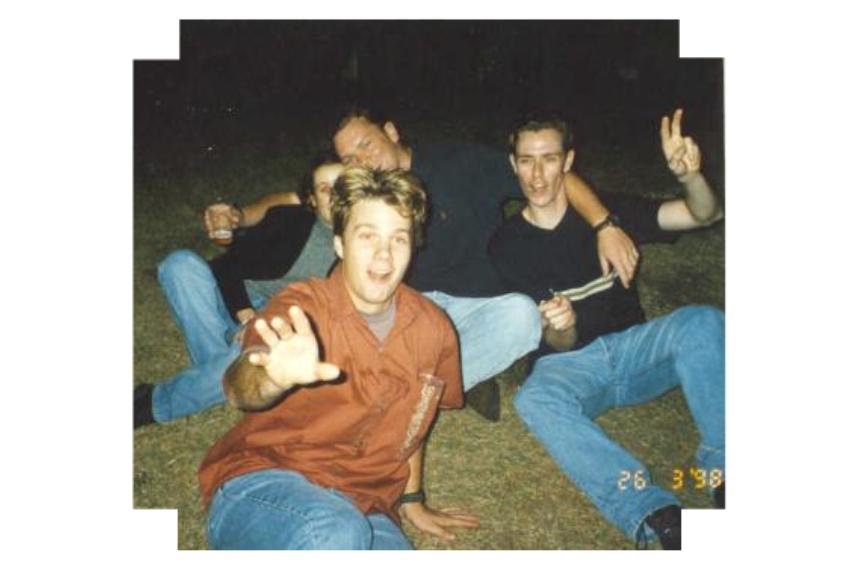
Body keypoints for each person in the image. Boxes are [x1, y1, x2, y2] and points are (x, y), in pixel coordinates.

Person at [199, 167, 479, 550]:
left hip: (366, 504)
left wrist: (412, 497)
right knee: (337, 532)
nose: (384, 254)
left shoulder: (434, 329)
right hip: (267, 480)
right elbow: (240, 387)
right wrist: (273, 377)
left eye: (398, 239)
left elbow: (417, 421)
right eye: (367, 236)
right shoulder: (301, 307)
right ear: (340, 245)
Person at [488, 109, 725, 550]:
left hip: (633, 350)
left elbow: (704, 214)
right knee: (534, 398)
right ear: (512, 165)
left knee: (702, 321)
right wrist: (563, 327)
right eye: (526, 161)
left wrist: (690, 177)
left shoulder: (608, 214)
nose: (537, 175)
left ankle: (726, 473)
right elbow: (556, 344)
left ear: (568, 161)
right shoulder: (506, 244)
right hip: (570, 369)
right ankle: (657, 516)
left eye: (549, 159)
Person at [329, 105, 640, 420]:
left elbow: (555, 177)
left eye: (365, 145)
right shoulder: (366, 195)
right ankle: (455, 374)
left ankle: (421, 390)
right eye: (349, 159)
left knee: (524, 315)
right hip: (412, 308)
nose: (362, 161)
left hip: (479, 306)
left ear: (391, 132)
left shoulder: (461, 162)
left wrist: (604, 225)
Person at [134, 152, 344, 428]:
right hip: (236, 299)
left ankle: (153, 403)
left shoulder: (363, 241)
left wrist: (259, 322)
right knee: (179, 264)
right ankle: (224, 374)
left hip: (277, 319)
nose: (335, 195)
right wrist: (245, 313)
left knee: (253, 354)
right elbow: (230, 263)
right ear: (313, 199)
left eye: (341, 185)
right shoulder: (290, 220)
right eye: (324, 189)